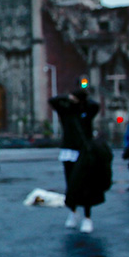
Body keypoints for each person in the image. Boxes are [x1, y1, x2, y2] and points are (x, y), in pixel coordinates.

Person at [50, 88, 103, 231]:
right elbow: (53, 100)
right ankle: (73, 212)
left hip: (84, 149)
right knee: (70, 183)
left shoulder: (86, 110)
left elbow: (95, 105)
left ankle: (87, 217)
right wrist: (67, 96)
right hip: (69, 149)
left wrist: (82, 99)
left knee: (86, 184)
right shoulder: (65, 110)